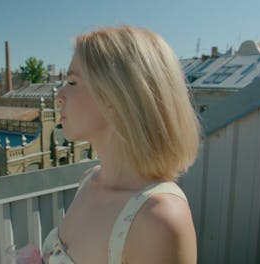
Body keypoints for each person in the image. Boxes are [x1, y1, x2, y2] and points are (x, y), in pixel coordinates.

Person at [42, 25, 201, 264]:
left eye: (73, 82)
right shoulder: (89, 180)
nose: (59, 95)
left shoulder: (158, 220)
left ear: (116, 98)